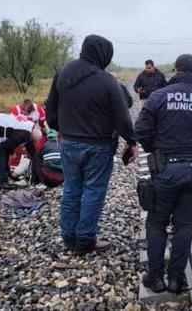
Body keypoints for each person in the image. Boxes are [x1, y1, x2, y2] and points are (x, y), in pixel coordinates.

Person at [135, 54, 192, 293]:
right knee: (184, 225)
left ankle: (155, 279)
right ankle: (176, 279)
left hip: (166, 168)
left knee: (157, 222)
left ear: (176, 70)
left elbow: (142, 131)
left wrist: (155, 150)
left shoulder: (159, 97)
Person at [46, 34, 138, 256]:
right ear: (103, 54)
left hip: (69, 143)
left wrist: (62, 129)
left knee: (71, 189)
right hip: (98, 146)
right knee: (94, 191)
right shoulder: (107, 80)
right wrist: (131, 141)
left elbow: (51, 112)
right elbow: (122, 118)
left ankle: (68, 236)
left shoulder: (63, 74)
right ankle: (85, 239)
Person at [0, 113, 42, 189]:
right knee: (0, 152)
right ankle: (3, 182)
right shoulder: (24, 133)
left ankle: (7, 175)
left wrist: (37, 159)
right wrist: (12, 152)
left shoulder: (29, 128)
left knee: (3, 150)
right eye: (33, 140)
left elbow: (31, 149)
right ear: (31, 136)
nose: (32, 142)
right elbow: (6, 145)